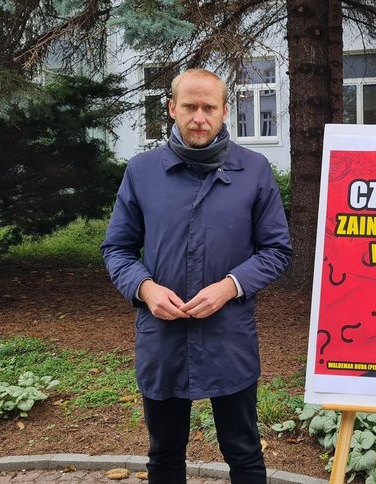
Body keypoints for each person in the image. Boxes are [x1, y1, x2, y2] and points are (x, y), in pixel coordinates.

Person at [101, 68, 292, 484]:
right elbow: (117, 248)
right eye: (190, 107)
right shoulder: (142, 171)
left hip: (229, 336)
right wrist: (145, 288)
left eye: (209, 107)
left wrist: (229, 287)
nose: (199, 118)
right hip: (162, 337)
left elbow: (277, 250)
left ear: (225, 110)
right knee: (164, 452)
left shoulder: (254, 170)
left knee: (243, 449)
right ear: (172, 109)